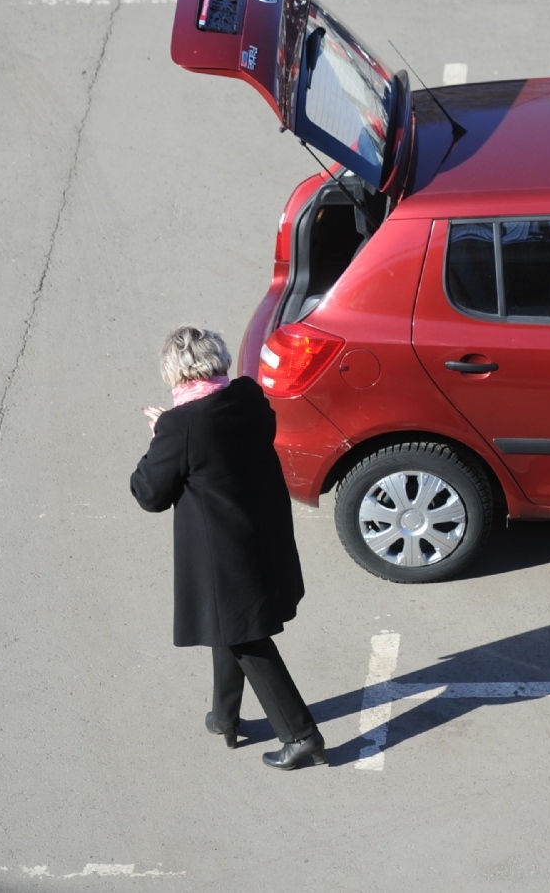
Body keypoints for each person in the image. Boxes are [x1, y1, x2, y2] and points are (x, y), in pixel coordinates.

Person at [130, 326, 324, 769]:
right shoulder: (247, 396)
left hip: (223, 555)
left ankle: (300, 734)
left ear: (176, 372)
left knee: (247, 639)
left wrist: (161, 434)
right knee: (230, 627)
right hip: (261, 536)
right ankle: (225, 716)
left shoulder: (180, 426)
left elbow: (149, 494)